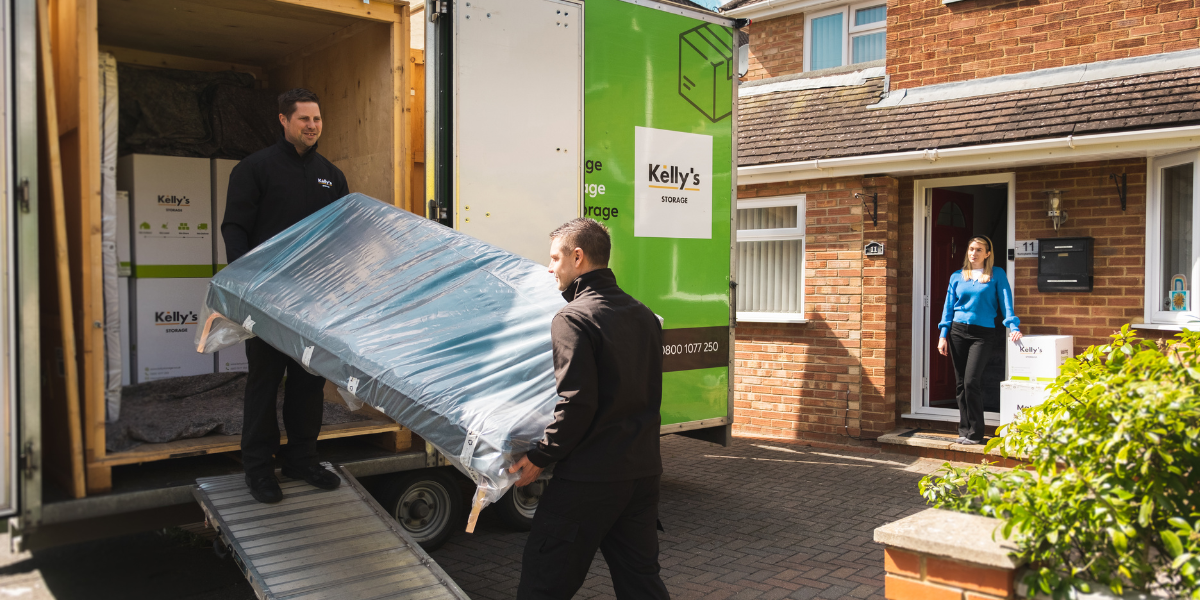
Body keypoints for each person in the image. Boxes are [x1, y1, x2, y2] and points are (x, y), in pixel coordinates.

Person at [507, 218, 670, 600]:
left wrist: (541, 455)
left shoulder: (573, 318)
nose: (550, 268)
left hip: (589, 479)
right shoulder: (644, 315)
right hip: (642, 473)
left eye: (554, 258)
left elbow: (577, 402)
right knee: (641, 582)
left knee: (543, 583)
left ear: (577, 257)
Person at [221, 88, 350, 503]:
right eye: (303, 119)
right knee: (264, 382)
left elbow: (342, 238)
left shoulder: (332, 176)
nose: (312, 126)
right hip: (266, 299)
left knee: (309, 383)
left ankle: (302, 460)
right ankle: (258, 469)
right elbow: (235, 227)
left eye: (317, 119)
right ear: (283, 120)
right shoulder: (254, 168)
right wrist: (245, 285)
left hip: (314, 301)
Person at [937, 235, 1022, 445]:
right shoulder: (957, 276)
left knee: (971, 381)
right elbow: (948, 307)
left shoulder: (996, 274)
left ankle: (976, 433)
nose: (973, 253)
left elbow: (1006, 301)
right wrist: (943, 335)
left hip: (983, 334)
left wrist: (1013, 326)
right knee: (960, 384)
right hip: (957, 331)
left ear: (987, 254)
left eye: (978, 250)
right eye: (971, 249)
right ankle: (964, 430)